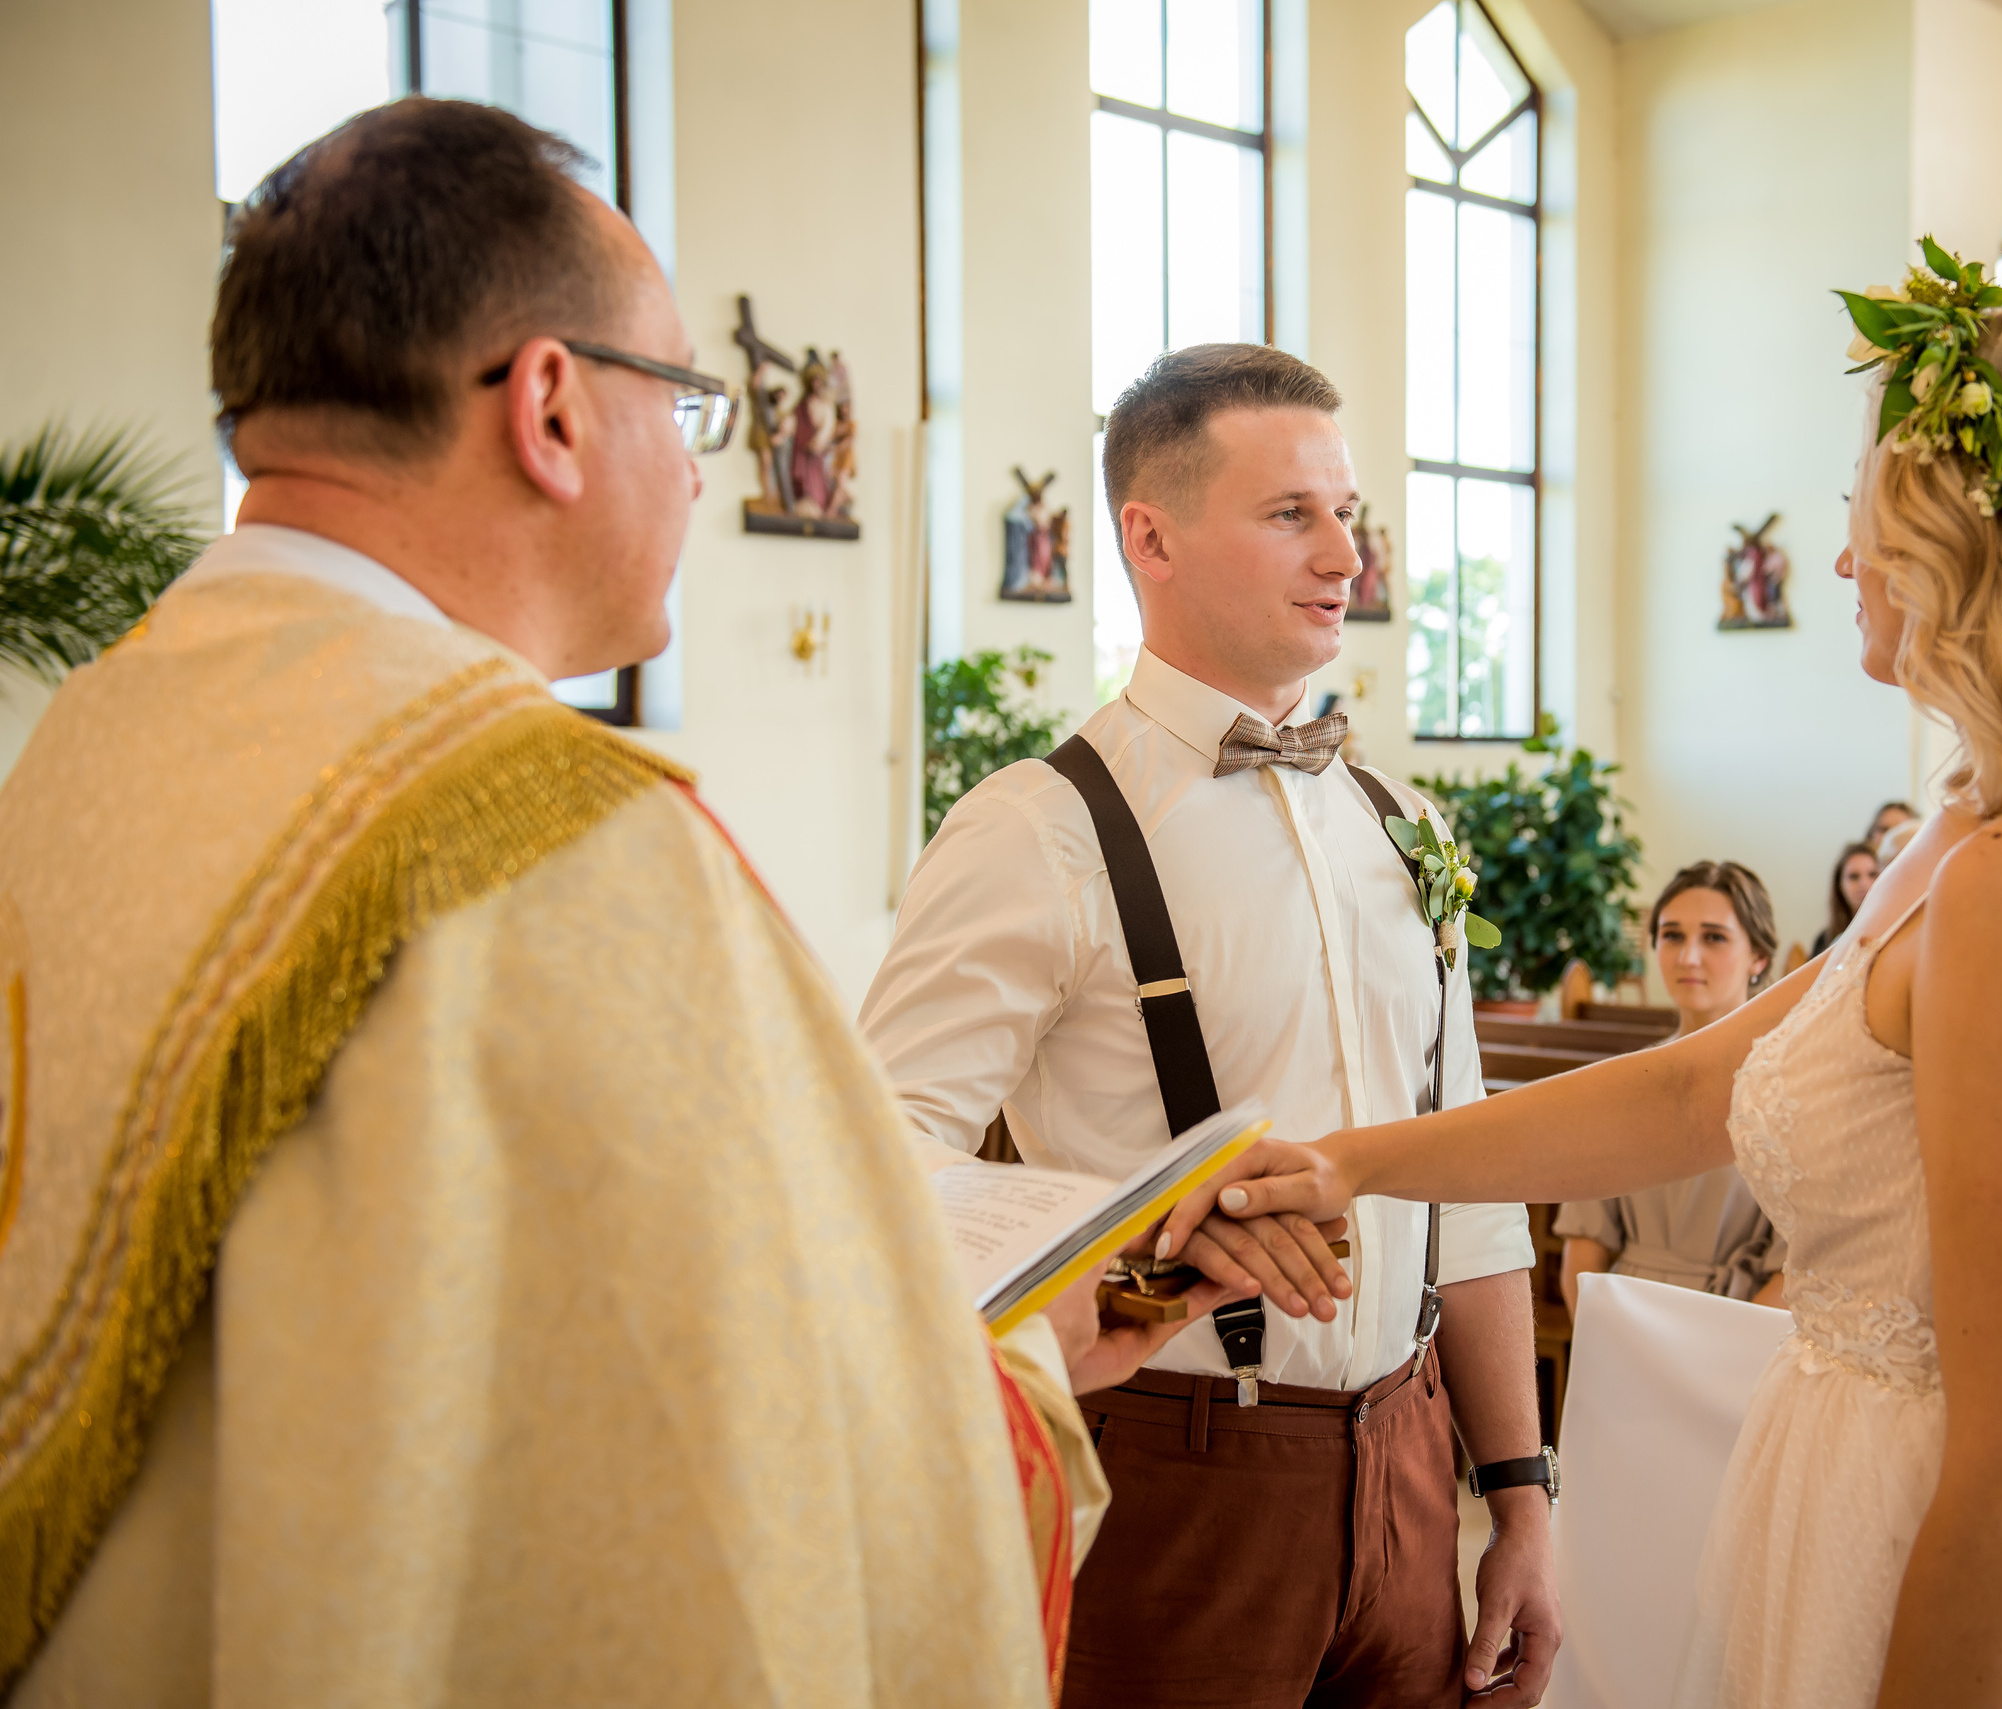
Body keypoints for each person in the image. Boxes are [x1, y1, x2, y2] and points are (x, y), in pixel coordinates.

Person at [0, 99, 1194, 1706]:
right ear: (552, 405)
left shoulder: (96, 742)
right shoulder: (561, 848)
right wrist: (1019, 1374)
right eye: (688, 402)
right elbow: (729, 1471)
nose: (701, 476)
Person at [1165, 271, 2002, 1705]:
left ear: (1973, 539)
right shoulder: (1982, 823)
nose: (1843, 561)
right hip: (1879, 1484)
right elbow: (1696, 1086)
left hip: (1961, 1544)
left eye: (1868, 512)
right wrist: (1349, 1162)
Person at [859, 344, 1559, 1708]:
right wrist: (1142, 1233)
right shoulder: (1039, 826)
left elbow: (1467, 1183)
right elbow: (879, 1154)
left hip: (1415, 1469)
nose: (1347, 553)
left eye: (1347, 512)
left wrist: (1521, 1499)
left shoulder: (1401, 826)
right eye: (1292, 513)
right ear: (1152, 535)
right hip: (1175, 1467)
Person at [1555, 862, 1786, 1314]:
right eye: (1673, 935)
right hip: (1625, 1319)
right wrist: (1609, 1336)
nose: (1688, 957)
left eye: (1714, 937)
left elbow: (1797, 1269)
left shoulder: (1790, 1087)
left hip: (1741, 1329)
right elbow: (1585, 1246)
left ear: (1758, 956)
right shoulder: (1623, 1082)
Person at [1807, 841, 1880, 955]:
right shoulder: (1825, 939)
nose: (1864, 883)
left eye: (1873, 874)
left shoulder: (1894, 932)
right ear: (1839, 885)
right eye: (1854, 877)